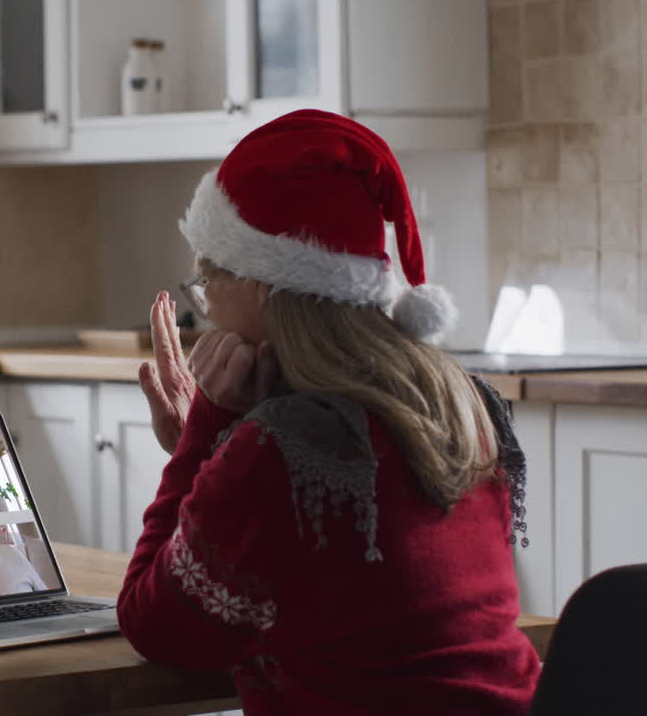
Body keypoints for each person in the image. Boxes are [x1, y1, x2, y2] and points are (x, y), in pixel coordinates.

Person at [118, 109, 539, 715]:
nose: (206, 312)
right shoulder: (462, 403)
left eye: (208, 284)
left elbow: (153, 626)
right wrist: (224, 454)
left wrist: (204, 436)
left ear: (262, 285)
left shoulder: (278, 451)